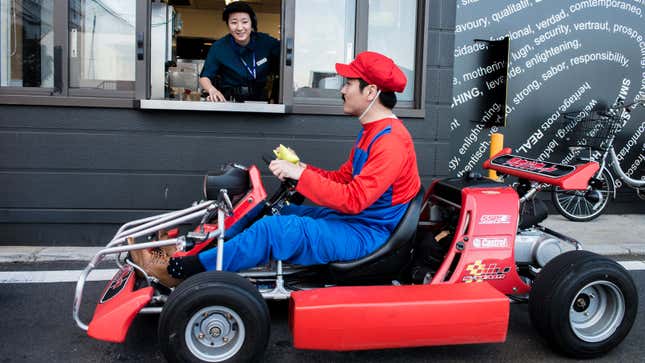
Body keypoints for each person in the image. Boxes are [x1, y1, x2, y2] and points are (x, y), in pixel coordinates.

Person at [137, 51, 421, 284]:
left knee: (274, 229)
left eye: (348, 83)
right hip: (355, 221)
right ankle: (195, 251)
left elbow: (354, 199)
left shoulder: (391, 141)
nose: (343, 89)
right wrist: (302, 168)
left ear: (370, 91)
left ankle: (180, 272)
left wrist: (302, 175)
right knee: (272, 209)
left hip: (368, 233)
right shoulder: (373, 132)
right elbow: (343, 179)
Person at [199, 1, 280, 102]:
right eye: (234, 22)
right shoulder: (218, 47)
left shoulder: (266, 42)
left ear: (252, 23)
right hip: (230, 102)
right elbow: (205, 77)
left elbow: (288, 56)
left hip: (260, 102)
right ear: (228, 25)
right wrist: (212, 90)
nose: (240, 28)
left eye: (245, 22)